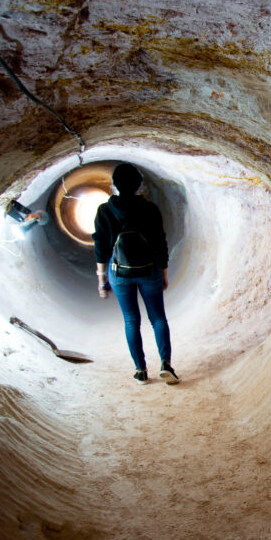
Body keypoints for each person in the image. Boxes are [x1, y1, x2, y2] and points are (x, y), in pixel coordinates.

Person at [93, 163, 180, 385]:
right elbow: (161, 241)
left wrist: (102, 277)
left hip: (119, 273)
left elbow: (101, 246)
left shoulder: (105, 210)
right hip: (149, 269)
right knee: (158, 318)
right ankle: (166, 365)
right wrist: (164, 271)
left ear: (115, 185)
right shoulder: (150, 209)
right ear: (139, 185)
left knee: (131, 320)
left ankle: (140, 370)